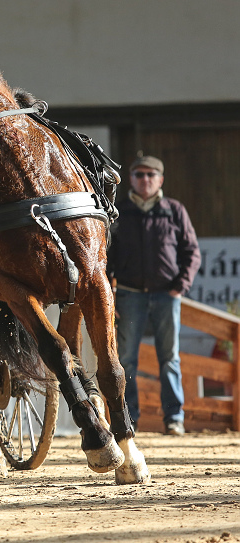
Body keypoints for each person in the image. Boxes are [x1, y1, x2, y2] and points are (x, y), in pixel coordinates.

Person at [107, 155, 201, 436]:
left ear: (160, 180)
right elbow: (106, 256)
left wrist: (180, 286)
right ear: (132, 180)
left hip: (166, 295)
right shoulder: (119, 212)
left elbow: (191, 252)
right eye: (139, 174)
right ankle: (129, 419)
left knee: (169, 358)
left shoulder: (174, 210)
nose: (145, 180)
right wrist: (110, 293)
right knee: (125, 360)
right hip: (128, 295)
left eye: (151, 175)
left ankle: (174, 418)